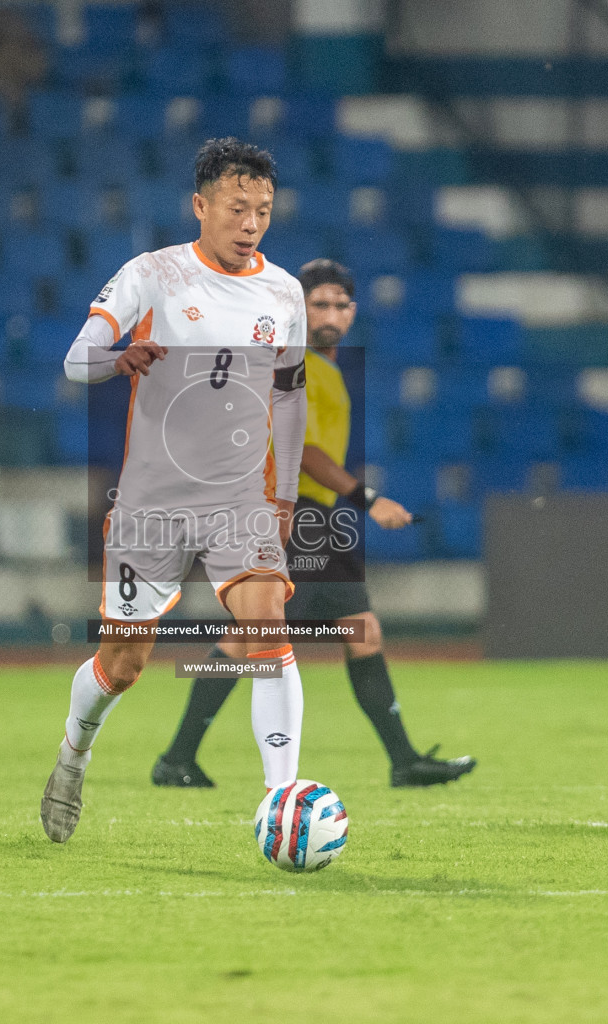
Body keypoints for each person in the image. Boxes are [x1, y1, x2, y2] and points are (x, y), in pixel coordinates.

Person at [43, 138, 308, 843]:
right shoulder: (152, 275)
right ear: (200, 206)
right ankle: (75, 750)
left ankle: (281, 802)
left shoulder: (285, 293)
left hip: (239, 501)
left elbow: (291, 393)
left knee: (267, 632)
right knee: (122, 666)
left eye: (264, 210)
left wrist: (282, 497)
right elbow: (76, 361)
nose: (251, 222)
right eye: (236, 207)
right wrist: (118, 355)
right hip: (153, 505)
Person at [151, 258, 476, 788]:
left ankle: (403, 760)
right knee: (250, 640)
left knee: (361, 632)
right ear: (296, 308)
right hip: (293, 517)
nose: (330, 313)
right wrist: (366, 497)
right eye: (318, 303)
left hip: (316, 520)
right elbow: (300, 451)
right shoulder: (296, 364)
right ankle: (177, 757)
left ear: (353, 313)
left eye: (340, 304)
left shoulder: (321, 368)